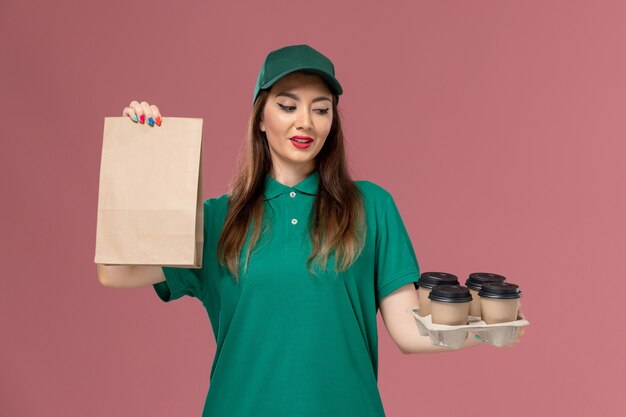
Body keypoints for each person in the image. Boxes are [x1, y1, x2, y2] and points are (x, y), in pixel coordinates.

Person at [97, 44, 523, 417]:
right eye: (288, 106)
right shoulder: (215, 219)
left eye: (321, 109)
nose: (306, 122)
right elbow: (114, 274)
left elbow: (409, 333)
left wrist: (491, 328)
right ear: (260, 118)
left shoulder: (371, 207)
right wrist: (139, 154)